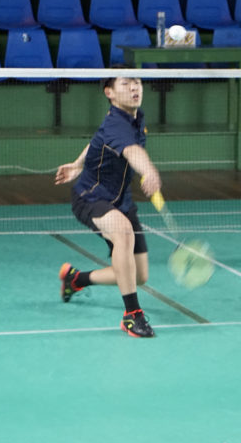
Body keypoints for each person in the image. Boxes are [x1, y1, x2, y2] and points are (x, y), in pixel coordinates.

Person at [55, 73, 162, 338]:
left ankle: (76, 279)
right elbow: (133, 152)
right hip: (91, 197)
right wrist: (149, 171)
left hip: (121, 200)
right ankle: (132, 316)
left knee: (139, 275)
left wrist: (78, 163)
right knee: (123, 232)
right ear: (109, 92)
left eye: (137, 82)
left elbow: (98, 138)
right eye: (125, 83)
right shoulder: (117, 123)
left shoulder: (135, 118)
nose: (134, 87)